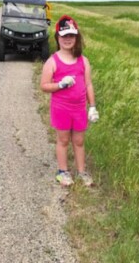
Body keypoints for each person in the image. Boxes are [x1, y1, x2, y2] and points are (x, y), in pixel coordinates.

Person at [40, 15, 99, 187]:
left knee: (79, 141)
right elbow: (44, 86)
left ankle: (82, 171)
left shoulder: (83, 60)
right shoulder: (52, 61)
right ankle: (63, 171)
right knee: (63, 140)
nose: (67, 39)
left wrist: (92, 107)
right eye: (64, 36)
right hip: (61, 108)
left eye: (71, 35)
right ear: (58, 37)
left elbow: (88, 84)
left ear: (76, 37)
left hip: (79, 108)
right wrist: (60, 84)